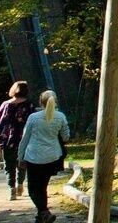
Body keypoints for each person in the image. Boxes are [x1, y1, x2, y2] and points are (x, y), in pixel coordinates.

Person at [14, 90, 70, 223]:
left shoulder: (33, 117)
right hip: (52, 156)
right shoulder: (60, 116)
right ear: (55, 101)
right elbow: (66, 136)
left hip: (34, 156)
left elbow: (25, 139)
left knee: (33, 189)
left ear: (41, 102)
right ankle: (41, 215)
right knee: (42, 186)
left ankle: (44, 212)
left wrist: (20, 157)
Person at [0, 82, 35, 201]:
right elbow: (33, 122)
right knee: (22, 163)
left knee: (9, 165)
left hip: (8, 138)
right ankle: (20, 184)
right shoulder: (29, 105)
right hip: (24, 138)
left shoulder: (5, 105)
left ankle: (11, 188)